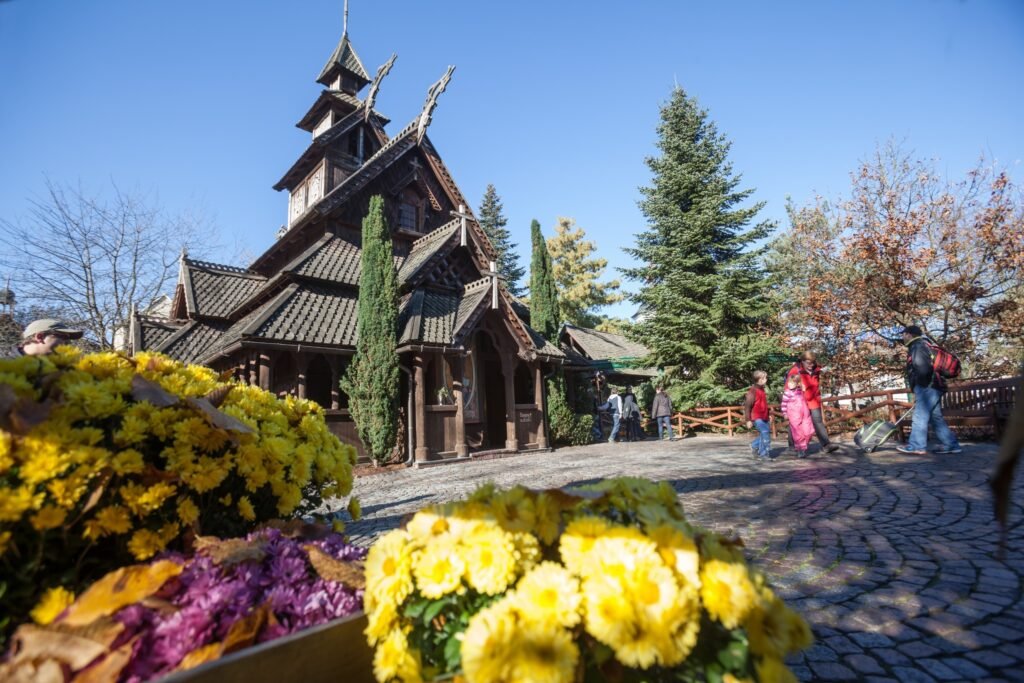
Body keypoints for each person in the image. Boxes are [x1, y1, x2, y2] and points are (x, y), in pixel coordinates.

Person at [897, 325, 962, 456]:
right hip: (935, 386)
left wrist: (921, 386)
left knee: (920, 416)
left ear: (909, 334)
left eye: (903, 334)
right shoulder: (926, 345)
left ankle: (916, 446)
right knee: (936, 417)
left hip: (927, 387)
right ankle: (951, 445)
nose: (902, 337)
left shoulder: (918, 346)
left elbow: (922, 369)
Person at [785, 351, 839, 453]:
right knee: (796, 423)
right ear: (802, 361)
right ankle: (792, 446)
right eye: (808, 363)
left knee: (818, 421)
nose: (811, 365)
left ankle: (826, 445)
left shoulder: (816, 370)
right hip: (798, 402)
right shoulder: (795, 371)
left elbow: (816, 385)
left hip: (813, 400)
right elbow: (788, 388)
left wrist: (818, 396)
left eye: (813, 362)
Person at [1, 318, 83, 359]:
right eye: (63, 337)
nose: (68, 343)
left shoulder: (57, 372)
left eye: (69, 339)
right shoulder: (4, 366)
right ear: (40, 337)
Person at [781, 373, 814, 458]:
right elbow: (783, 404)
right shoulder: (787, 393)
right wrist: (785, 413)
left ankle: (804, 444)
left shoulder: (801, 391)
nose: (789, 384)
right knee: (798, 433)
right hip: (794, 415)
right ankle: (800, 449)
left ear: (797, 383)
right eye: (789, 382)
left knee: (808, 431)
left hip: (805, 414)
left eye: (792, 383)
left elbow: (808, 398)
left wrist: (804, 390)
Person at [743, 370, 772, 461]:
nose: (766, 379)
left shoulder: (762, 389)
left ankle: (754, 445)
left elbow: (763, 404)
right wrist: (748, 420)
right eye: (765, 378)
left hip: (764, 416)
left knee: (765, 434)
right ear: (760, 379)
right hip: (757, 417)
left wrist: (768, 415)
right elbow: (747, 406)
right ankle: (764, 455)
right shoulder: (752, 391)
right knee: (765, 433)